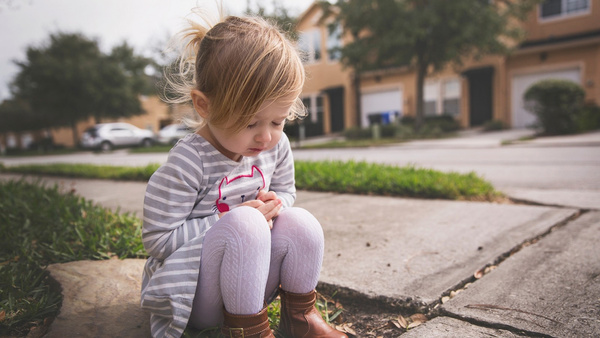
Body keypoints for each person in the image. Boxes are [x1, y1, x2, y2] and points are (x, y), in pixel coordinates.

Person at [140, 9, 347, 338]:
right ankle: (246, 333)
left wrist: (275, 202)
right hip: (195, 294)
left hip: (250, 284)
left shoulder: (275, 147)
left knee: (302, 221)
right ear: (204, 106)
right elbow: (158, 240)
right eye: (251, 123)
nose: (265, 136)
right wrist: (228, 220)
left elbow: (287, 192)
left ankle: (301, 319)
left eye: (278, 121)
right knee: (246, 224)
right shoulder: (188, 162)